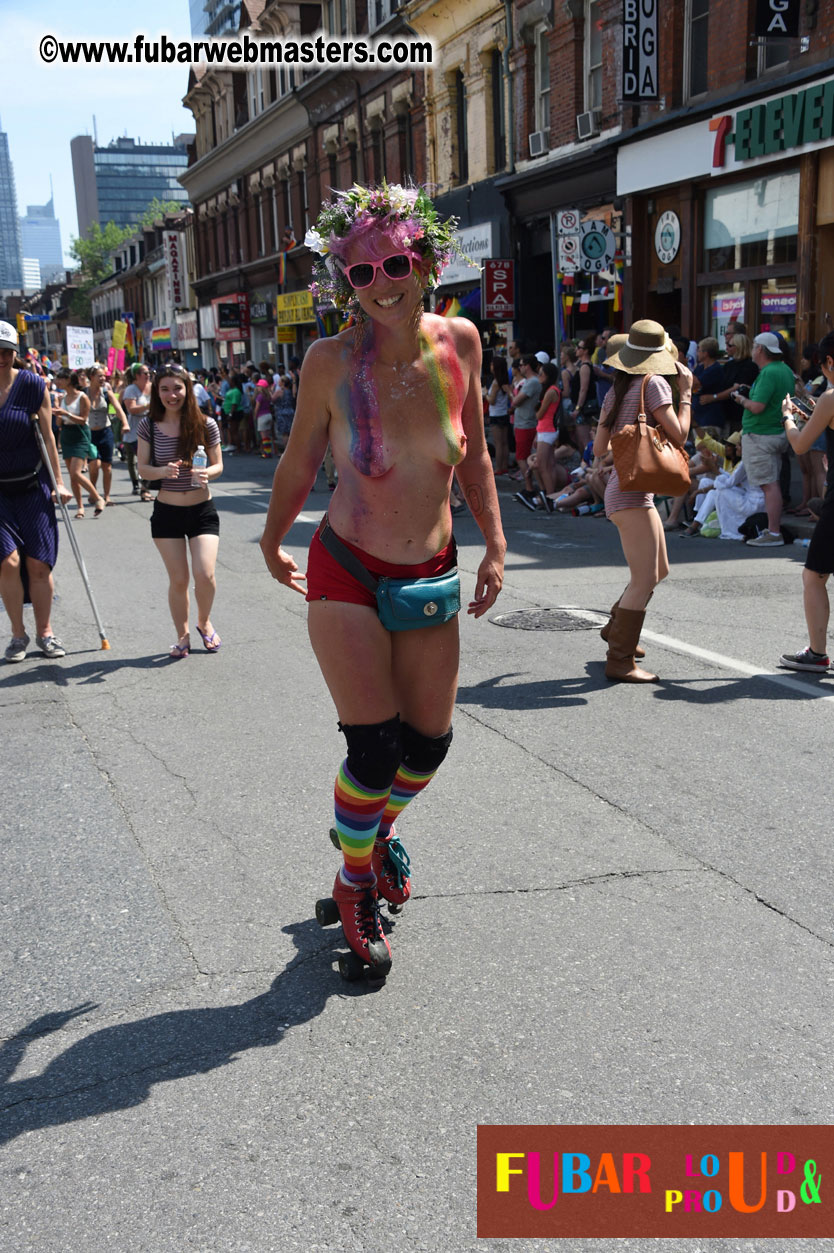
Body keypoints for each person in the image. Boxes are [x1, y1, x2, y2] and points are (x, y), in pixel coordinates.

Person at [259, 183, 506, 978]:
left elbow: (472, 456)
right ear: (344, 281)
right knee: (374, 747)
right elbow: (300, 460)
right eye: (362, 274)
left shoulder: (461, 345)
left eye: (397, 263)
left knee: (427, 745)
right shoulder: (329, 362)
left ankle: (366, 833)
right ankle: (355, 878)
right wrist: (271, 539)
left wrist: (496, 542)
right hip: (348, 569)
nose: (382, 284)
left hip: (430, 569)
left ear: (427, 261)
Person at [592, 319, 693, 682]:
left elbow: (600, 448)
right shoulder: (656, 386)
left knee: (657, 572)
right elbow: (679, 434)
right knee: (645, 577)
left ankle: (617, 627)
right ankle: (619, 660)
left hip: (624, 491)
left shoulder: (616, 390)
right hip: (632, 495)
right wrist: (687, 393)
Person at [136, 364, 224, 658]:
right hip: (167, 513)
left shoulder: (206, 424)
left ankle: (204, 621)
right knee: (179, 580)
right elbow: (143, 469)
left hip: (202, 510)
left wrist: (207, 475)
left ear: (188, 389)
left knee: (206, 574)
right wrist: (163, 470)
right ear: (156, 392)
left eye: (177, 388)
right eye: (165, 389)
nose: (171, 395)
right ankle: (183, 636)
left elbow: (218, 464)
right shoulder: (148, 425)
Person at [0, 320, 73, 661]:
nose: (1, 357)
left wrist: (59, 482)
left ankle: (46, 632)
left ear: (15, 353)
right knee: (7, 561)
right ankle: (18, 635)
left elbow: (47, 437)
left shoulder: (32, 384)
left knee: (38, 564)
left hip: (32, 484)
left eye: (6, 351)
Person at [779, 330, 834, 672]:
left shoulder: (831, 396)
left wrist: (788, 415)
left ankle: (817, 653)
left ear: (830, 362)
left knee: (815, 574)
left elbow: (799, 445)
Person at [732, 332, 795, 547]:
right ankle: (772, 529)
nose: (751, 350)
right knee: (771, 484)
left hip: (761, 434)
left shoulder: (768, 372)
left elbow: (757, 407)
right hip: (775, 432)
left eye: (753, 346)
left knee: (769, 485)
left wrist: (741, 399)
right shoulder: (785, 370)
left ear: (760, 349)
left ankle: (774, 532)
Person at [52, 369, 105, 518]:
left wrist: (66, 413)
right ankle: (80, 507)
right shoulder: (62, 398)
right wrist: (57, 413)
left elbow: (83, 419)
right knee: (72, 476)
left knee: (76, 472)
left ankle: (97, 497)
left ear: (68, 379)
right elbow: (59, 423)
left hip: (80, 434)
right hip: (67, 435)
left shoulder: (82, 397)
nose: (58, 382)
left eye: (60, 379)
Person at [86, 365, 125, 506]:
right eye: (99, 376)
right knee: (94, 465)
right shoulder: (84, 393)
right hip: (90, 433)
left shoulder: (106, 393)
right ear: (91, 377)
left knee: (107, 466)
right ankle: (93, 492)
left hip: (105, 431)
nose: (103, 378)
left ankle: (107, 496)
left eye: (104, 376)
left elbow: (118, 408)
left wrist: (125, 423)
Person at [508, 356, 541, 491]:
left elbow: (516, 401)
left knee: (521, 457)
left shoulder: (531, 382)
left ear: (527, 366)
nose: (519, 368)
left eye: (521, 365)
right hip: (525, 422)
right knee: (526, 457)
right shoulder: (531, 381)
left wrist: (510, 393)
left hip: (525, 424)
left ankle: (529, 488)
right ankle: (532, 487)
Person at [122, 363, 154, 499]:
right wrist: (148, 406)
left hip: (152, 427)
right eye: (145, 373)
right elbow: (131, 409)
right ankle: (138, 485)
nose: (148, 376)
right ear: (137, 376)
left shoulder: (152, 387)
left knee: (151, 459)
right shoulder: (130, 389)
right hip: (135, 429)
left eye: (149, 373)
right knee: (135, 460)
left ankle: (145, 487)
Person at [486, 355, 512, 476]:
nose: (490, 366)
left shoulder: (496, 382)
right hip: (504, 413)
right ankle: (505, 465)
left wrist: (485, 394)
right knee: (504, 442)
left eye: (492, 364)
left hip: (496, 414)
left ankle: (499, 467)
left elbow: (492, 400)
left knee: (498, 443)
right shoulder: (505, 380)